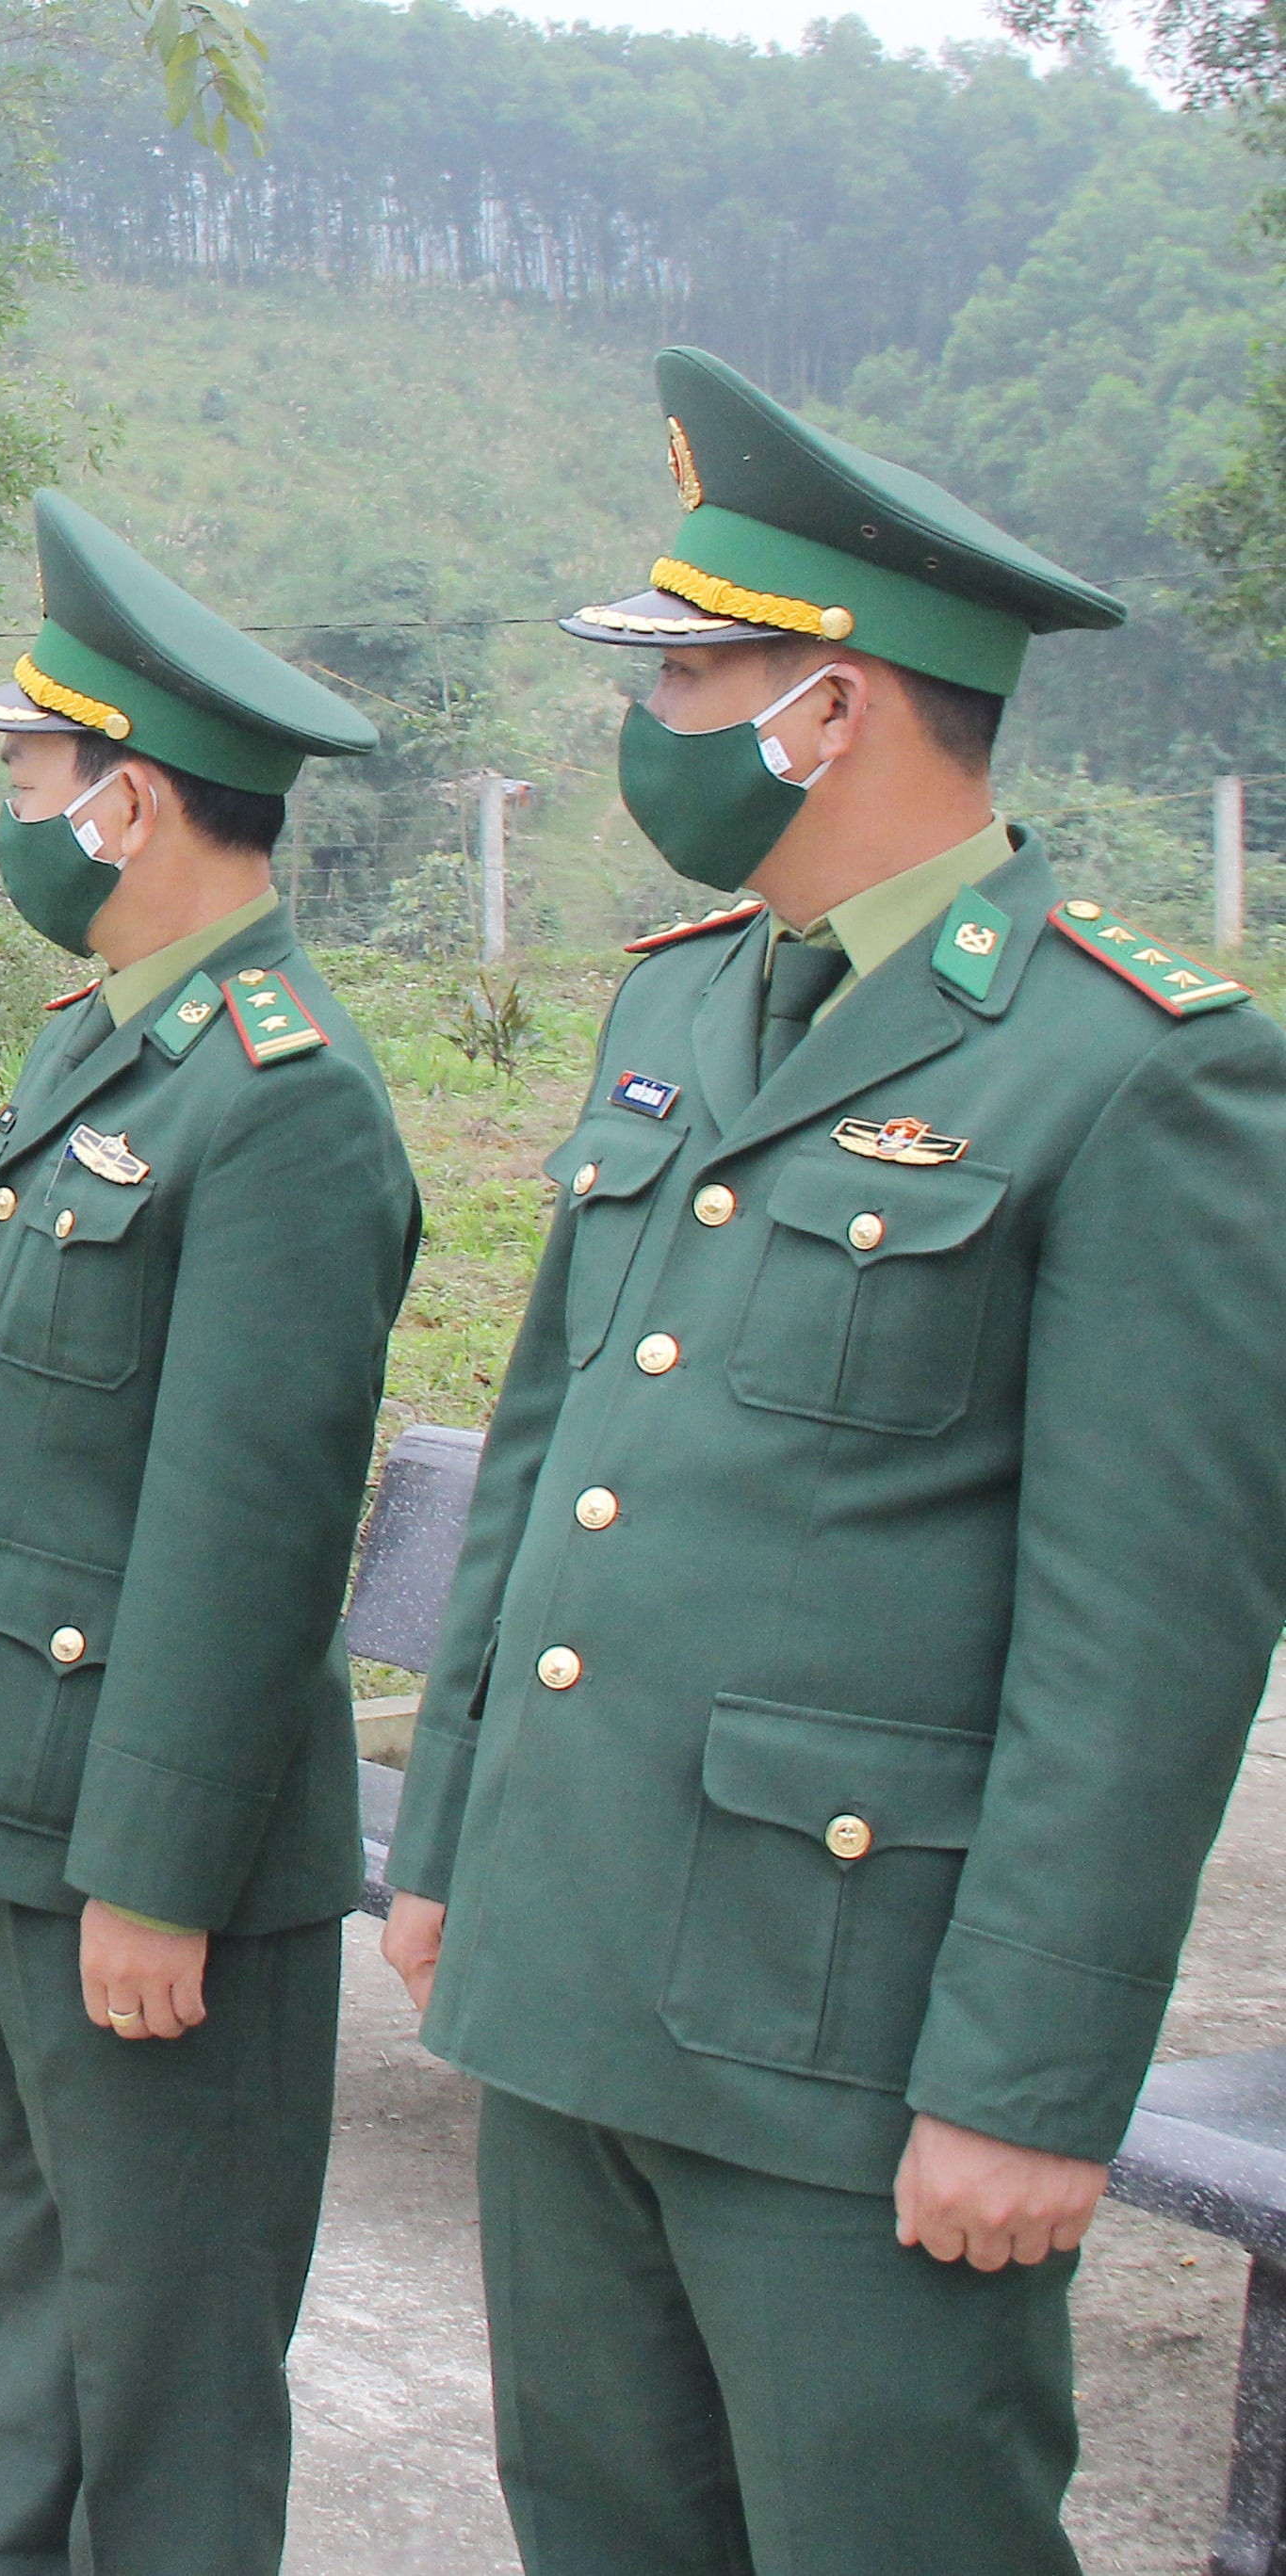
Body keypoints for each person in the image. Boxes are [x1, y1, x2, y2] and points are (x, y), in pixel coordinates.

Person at [379, 347, 1286, 2574]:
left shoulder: (1134, 1067)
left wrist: (1029, 2081)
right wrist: (457, 1840)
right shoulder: (684, 995)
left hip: (851, 2031)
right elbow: (547, 1453)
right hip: (578, 1957)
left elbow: (1140, 1645)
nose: (650, 728)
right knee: (600, 2521)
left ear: (837, 703)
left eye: (689, 676)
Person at [0, 492, 410, 2576]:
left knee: (157, 2376)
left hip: (139, 1866)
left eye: (31, 779)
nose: (16, 816)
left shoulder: (285, 1098)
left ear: (134, 801)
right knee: (40, 2317)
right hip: (8, 1813)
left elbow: (246, 1541)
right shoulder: (107, 1041)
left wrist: (151, 1880)